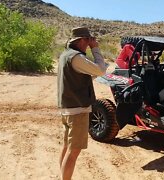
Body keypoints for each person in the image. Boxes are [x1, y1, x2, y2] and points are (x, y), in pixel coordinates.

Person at [57, 27, 107, 180]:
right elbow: (101, 70)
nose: (90, 43)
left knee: (67, 148)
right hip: (77, 111)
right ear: (82, 40)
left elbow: (76, 79)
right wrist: (96, 49)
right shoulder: (76, 57)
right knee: (74, 152)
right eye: (89, 40)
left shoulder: (66, 55)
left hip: (68, 109)